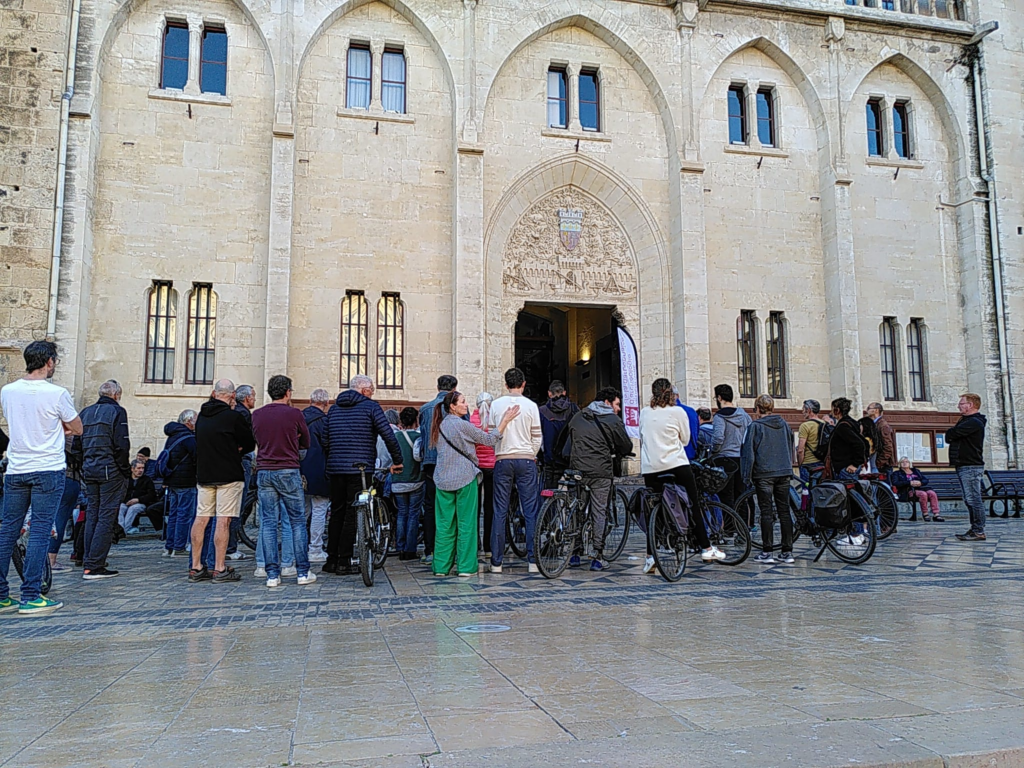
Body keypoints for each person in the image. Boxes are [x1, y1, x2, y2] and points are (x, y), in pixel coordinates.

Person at [0, 341, 81, 615]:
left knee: (8, 530)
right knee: (39, 531)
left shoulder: (8, 391)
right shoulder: (57, 393)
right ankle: (31, 594)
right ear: (48, 361)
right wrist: (61, 426)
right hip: (47, 467)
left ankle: (1, 595)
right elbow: (77, 427)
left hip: (17, 468)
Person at [639, 378, 724, 570]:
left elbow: (643, 436)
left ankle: (650, 556)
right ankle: (706, 547)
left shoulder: (644, 412)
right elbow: (685, 440)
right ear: (671, 393)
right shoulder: (678, 411)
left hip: (651, 467)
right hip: (676, 464)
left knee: (653, 508)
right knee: (693, 503)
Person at [432, 390, 519, 577]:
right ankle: (465, 566)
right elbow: (488, 440)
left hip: (442, 479)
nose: (466, 405)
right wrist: (504, 420)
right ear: (453, 407)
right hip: (464, 477)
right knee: (466, 523)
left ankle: (441, 566)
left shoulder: (439, 426)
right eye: (463, 402)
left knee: (445, 524)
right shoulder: (462, 425)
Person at [322, 375, 402, 575]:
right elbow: (388, 435)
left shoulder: (333, 409)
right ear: (365, 390)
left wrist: (333, 458)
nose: (372, 393)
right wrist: (398, 459)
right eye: (372, 390)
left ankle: (331, 560)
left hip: (336, 468)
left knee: (337, 512)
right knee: (353, 513)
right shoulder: (371, 407)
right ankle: (344, 561)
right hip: (361, 468)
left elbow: (324, 439)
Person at [556, 386, 634, 570]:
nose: (619, 409)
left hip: (577, 470)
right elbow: (625, 444)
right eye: (617, 404)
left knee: (577, 509)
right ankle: (597, 556)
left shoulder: (578, 416)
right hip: (600, 472)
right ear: (607, 402)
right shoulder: (613, 420)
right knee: (599, 511)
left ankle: (575, 552)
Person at [252, 375, 314, 587]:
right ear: (288, 392)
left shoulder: (257, 414)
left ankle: (271, 574)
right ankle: (302, 571)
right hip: (288, 469)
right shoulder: (294, 413)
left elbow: (256, 440)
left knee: (268, 522)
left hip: (265, 470)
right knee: (297, 521)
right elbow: (306, 441)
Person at [189, 379, 254, 583]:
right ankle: (219, 567)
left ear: (213, 393)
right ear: (233, 395)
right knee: (223, 520)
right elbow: (249, 443)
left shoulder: (201, 418)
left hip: (205, 473)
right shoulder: (233, 417)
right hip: (228, 474)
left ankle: (196, 565)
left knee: (201, 518)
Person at [489, 368, 543, 574]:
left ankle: (497, 562)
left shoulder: (495, 404)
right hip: (526, 460)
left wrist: (499, 451)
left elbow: (492, 433)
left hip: (503, 460)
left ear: (505, 384)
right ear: (523, 384)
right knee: (530, 510)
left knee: (499, 510)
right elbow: (537, 436)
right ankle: (532, 560)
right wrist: (531, 452)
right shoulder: (531, 406)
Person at [79, 379, 131, 580]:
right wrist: (124, 470)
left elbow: (77, 444)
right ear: (116, 394)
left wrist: (84, 463)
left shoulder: (85, 412)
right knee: (106, 517)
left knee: (93, 514)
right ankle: (94, 565)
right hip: (110, 470)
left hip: (90, 469)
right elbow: (121, 445)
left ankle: (89, 559)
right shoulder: (117, 412)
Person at [740, 395, 796, 564]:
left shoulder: (755, 426)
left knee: (766, 512)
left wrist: (746, 476)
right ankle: (787, 551)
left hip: (764, 473)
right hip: (784, 471)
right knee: (784, 511)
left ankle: (767, 551)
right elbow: (790, 445)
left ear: (757, 408)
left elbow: (748, 453)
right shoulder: (784, 424)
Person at [418, 375, 458, 565]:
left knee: (430, 505)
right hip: (452, 461)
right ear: (454, 389)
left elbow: (423, 435)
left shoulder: (425, 408)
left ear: (437, 386)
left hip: (431, 461)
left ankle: (431, 550)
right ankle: (450, 550)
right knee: (452, 505)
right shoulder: (456, 407)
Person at [947, 393, 987, 541]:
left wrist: (952, 433)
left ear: (970, 405)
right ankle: (975, 528)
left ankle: (978, 530)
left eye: (962, 403)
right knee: (969, 498)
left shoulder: (974, 422)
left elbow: (951, 434)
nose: (959, 406)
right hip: (964, 464)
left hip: (970, 465)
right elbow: (950, 436)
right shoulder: (966, 421)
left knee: (973, 498)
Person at [161, 409, 198, 557]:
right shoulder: (189, 438)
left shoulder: (172, 436)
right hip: (186, 481)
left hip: (172, 481)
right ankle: (179, 547)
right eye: (195, 420)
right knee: (184, 514)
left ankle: (169, 546)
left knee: (174, 514)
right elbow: (197, 458)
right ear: (188, 422)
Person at [226, 384, 256, 562]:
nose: (254, 399)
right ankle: (231, 547)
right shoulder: (243, 414)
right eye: (253, 396)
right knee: (237, 505)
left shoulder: (235, 412)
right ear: (246, 398)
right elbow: (246, 440)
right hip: (242, 460)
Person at [301, 388, 331, 563]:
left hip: (299, 469)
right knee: (319, 510)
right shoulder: (324, 421)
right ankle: (315, 548)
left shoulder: (299, 417)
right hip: (319, 470)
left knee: (300, 512)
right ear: (326, 403)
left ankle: (299, 548)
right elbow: (328, 445)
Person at [710, 384, 752, 510]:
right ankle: (743, 525)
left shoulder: (719, 417)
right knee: (741, 494)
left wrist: (714, 450)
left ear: (719, 398)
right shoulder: (744, 415)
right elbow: (749, 435)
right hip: (741, 458)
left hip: (724, 459)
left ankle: (729, 527)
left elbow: (718, 438)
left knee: (725, 496)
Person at [392, 407, 424, 561]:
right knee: (413, 514)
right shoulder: (419, 436)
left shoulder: (395, 436)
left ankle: (399, 546)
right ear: (415, 420)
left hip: (398, 480)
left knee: (401, 513)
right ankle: (410, 549)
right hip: (416, 479)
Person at [49, 435, 82, 572]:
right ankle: (51, 560)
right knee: (60, 519)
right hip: (68, 478)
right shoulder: (71, 437)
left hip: (50, 478)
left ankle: (43, 558)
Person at [539, 381, 579, 488]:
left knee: (549, 491)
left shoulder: (542, 411)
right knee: (573, 492)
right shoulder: (574, 409)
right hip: (569, 457)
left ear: (549, 393)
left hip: (550, 459)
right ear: (564, 392)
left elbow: (537, 436)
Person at [471, 393, 496, 557]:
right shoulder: (496, 418)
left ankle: (475, 544)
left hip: (476, 466)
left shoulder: (472, 419)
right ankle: (488, 547)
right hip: (493, 466)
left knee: (474, 507)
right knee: (490, 507)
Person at [827, 398, 868, 483]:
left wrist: (855, 464)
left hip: (846, 468)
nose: (831, 412)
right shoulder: (852, 423)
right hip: (845, 465)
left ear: (837, 410)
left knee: (848, 494)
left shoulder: (843, 426)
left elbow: (859, 444)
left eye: (832, 409)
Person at [891, 457, 944, 522]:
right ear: (899, 464)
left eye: (907, 462)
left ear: (910, 463)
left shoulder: (916, 471)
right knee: (923, 494)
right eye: (902, 462)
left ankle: (936, 514)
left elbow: (925, 480)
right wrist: (909, 483)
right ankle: (925, 514)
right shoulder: (897, 473)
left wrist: (920, 483)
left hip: (920, 488)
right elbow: (895, 483)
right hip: (907, 491)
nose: (905, 463)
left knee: (932, 493)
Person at [117, 459, 157, 536]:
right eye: (138, 468)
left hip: (141, 503)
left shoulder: (147, 480)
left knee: (133, 508)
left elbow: (151, 495)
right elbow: (121, 493)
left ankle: (123, 532)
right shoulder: (126, 479)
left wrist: (138, 500)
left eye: (142, 468)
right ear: (132, 469)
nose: (141, 470)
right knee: (121, 507)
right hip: (126, 502)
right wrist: (127, 501)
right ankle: (120, 529)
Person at [796, 400, 828, 483]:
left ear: (809, 410)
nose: (802, 412)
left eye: (804, 409)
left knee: (806, 492)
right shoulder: (824, 424)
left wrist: (800, 464)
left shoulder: (805, 426)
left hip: (808, 464)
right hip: (822, 463)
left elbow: (800, 450)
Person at [867, 402, 897, 475]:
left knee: (884, 485)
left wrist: (878, 462)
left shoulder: (883, 425)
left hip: (883, 465)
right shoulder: (874, 424)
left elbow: (888, 447)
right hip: (877, 463)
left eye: (869, 408)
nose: (866, 410)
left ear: (876, 410)